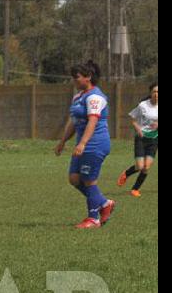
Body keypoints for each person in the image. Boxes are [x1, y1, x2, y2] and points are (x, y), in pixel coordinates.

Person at [54, 60, 115, 229]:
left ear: (88, 77)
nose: (74, 80)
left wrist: (82, 143)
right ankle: (104, 203)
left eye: (76, 77)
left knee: (89, 181)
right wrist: (62, 141)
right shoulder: (78, 97)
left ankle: (93, 218)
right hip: (82, 144)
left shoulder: (95, 97)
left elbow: (93, 121)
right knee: (74, 179)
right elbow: (74, 122)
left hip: (95, 144)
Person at [116, 82, 158, 197]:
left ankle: (135, 189)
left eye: (158, 92)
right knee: (139, 166)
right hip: (141, 138)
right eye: (154, 91)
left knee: (146, 167)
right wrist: (138, 129)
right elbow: (133, 119)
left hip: (154, 140)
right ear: (150, 93)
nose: (156, 94)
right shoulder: (142, 105)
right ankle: (126, 173)